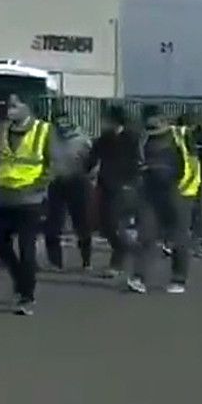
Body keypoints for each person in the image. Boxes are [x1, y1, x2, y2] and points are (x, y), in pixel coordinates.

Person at [0, 94, 52, 316]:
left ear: (28, 107)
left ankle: (26, 295)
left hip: (29, 200)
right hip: (2, 198)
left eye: (15, 105)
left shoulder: (44, 130)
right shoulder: (2, 129)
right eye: (8, 105)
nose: (10, 110)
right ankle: (18, 276)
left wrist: (39, 186)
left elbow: (53, 164)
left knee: (27, 248)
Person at [127, 105, 194, 295]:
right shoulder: (144, 138)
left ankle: (178, 278)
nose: (153, 124)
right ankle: (139, 277)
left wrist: (185, 190)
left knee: (179, 236)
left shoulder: (180, 135)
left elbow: (192, 165)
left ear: (163, 119)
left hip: (177, 191)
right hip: (150, 193)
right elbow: (138, 163)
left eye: (156, 120)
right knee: (146, 234)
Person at [84, 105, 135, 276]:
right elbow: (91, 159)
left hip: (124, 187)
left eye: (106, 120)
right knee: (105, 226)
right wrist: (86, 166)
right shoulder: (103, 139)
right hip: (105, 185)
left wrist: (132, 182)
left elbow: (138, 162)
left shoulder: (131, 139)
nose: (103, 123)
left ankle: (117, 261)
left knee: (114, 223)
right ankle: (124, 248)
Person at [44, 110, 93, 271]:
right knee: (52, 225)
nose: (62, 125)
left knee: (82, 223)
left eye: (65, 121)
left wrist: (87, 174)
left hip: (78, 182)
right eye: (58, 122)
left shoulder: (82, 138)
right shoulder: (49, 137)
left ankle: (86, 261)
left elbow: (91, 161)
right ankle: (55, 262)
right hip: (56, 182)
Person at [177, 114, 202, 258]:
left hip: (201, 179)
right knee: (189, 212)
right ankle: (185, 241)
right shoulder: (180, 138)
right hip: (186, 180)